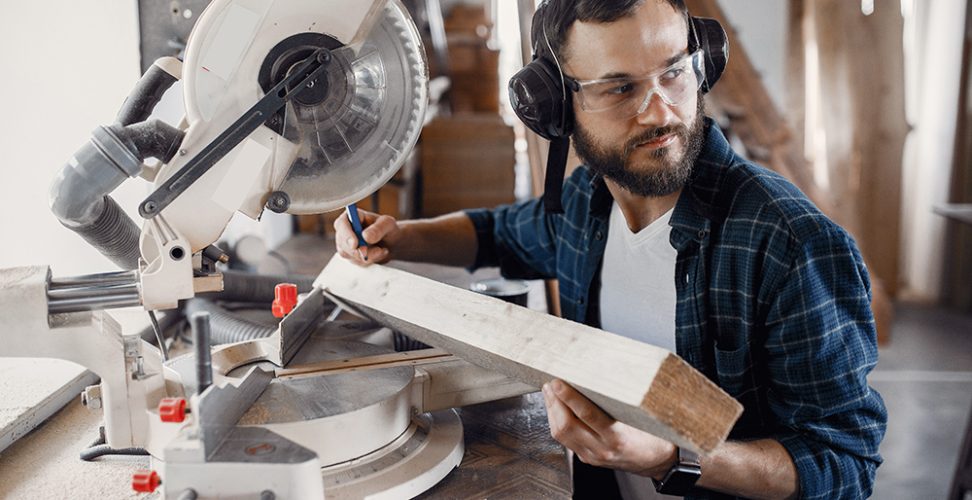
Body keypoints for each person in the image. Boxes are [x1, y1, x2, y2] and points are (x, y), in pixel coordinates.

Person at [334, 1, 887, 498]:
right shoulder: (586, 203)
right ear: (553, 106)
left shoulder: (790, 245)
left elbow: (844, 464)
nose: (660, 111)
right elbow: (500, 231)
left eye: (674, 71)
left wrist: (674, 457)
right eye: (620, 88)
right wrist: (401, 237)